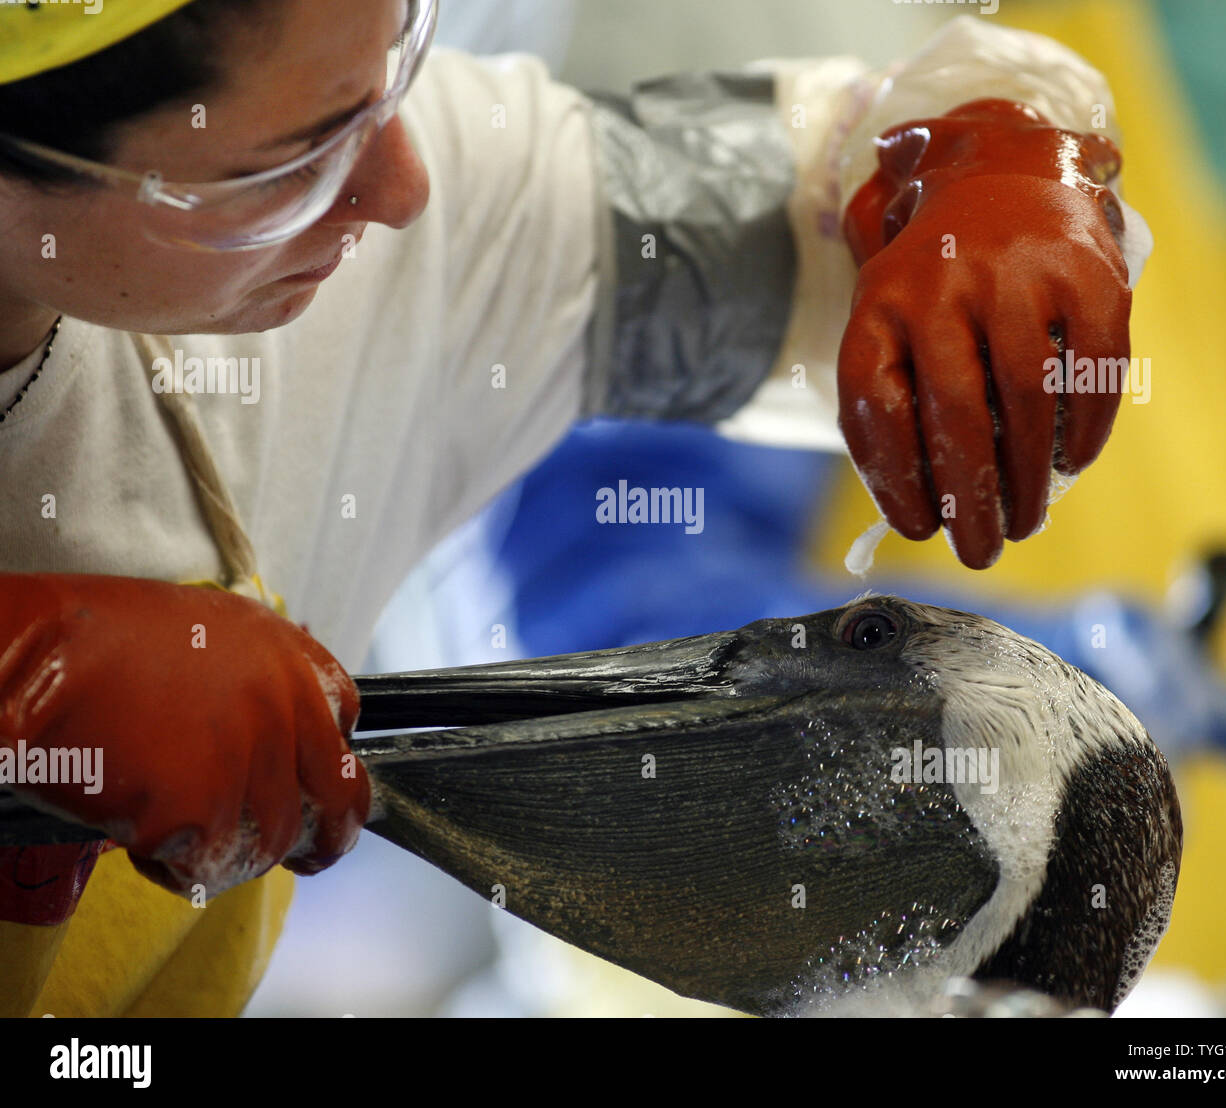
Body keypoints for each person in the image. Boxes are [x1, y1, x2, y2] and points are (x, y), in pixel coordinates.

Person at [0, 0, 1148, 1015]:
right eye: (289, 161)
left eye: (396, 57)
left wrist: (996, 171)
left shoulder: (433, 216)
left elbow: (852, 172)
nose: (400, 189)